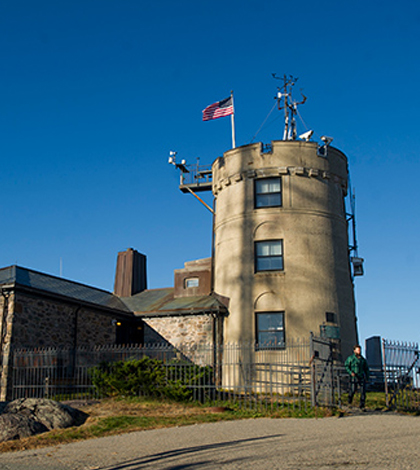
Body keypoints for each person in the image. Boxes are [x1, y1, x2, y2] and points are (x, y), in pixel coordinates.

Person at [345, 344, 370, 409]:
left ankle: (362, 405)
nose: (359, 351)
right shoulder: (351, 358)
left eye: (360, 350)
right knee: (352, 390)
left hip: (361, 376)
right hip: (354, 377)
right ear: (354, 351)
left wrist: (367, 377)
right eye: (358, 350)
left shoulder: (362, 360)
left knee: (363, 392)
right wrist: (350, 372)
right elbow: (347, 366)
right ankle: (349, 402)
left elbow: (366, 368)